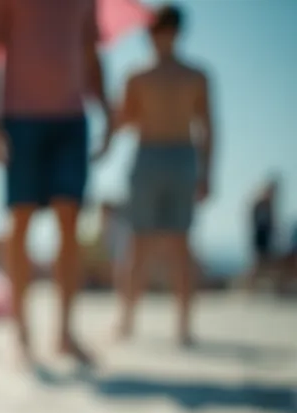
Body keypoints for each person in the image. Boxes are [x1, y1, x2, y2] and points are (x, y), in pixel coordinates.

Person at [0, 0, 110, 366]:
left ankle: (65, 332)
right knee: (20, 220)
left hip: (72, 117)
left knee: (69, 221)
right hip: (20, 117)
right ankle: (21, 330)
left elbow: (90, 52)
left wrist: (108, 112)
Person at [108, 5, 213, 346]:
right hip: (159, 155)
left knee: (177, 244)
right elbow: (126, 122)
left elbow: (209, 127)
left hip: (175, 155)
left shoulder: (192, 76)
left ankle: (181, 325)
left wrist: (207, 172)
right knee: (142, 243)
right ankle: (130, 320)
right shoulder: (140, 76)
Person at [243, 177, 280, 292]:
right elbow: (252, 220)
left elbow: (273, 222)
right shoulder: (258, 203)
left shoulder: (270, 205)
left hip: (267, 236)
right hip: (258, 236)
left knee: (268, 261)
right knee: (257, 262)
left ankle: (272, 289)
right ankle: (249, 287)